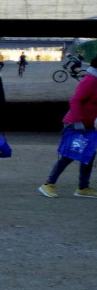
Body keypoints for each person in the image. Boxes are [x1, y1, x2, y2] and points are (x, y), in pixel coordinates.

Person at [39, 68, 97, 198]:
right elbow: (75, 100)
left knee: (89, 155)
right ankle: (48, 184)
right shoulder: (90, 80)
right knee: (69, 155)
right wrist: (77, 121)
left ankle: (83, 187)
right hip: (77, 125)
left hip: (89, 125)